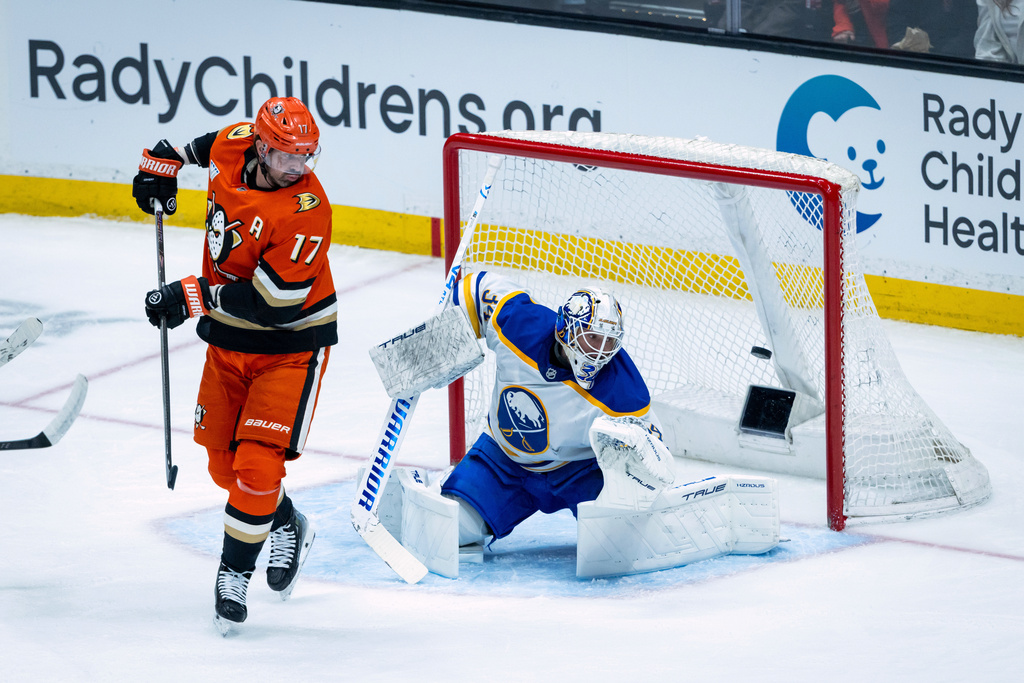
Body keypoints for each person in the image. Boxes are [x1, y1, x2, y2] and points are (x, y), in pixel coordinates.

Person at [133, 97, 337, 633]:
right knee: (225, 468)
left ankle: (233, 575)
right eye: (288, 156)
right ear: (261, 145)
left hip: (290, 345)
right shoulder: (236, 140)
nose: (299, 167)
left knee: (256, 465)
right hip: (227, 344)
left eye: (307, 157)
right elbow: (187, 149)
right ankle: (287, 520)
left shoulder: (308, 211)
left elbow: (272, 304)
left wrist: (190, 295)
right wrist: (159, 166)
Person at [438, 272, 666, 552]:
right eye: (593, 338)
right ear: (566, 329)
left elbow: (652, 457)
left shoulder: (625, 394)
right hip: (502, 459)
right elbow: (477, 288)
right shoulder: (520, 327)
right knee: (448, 529)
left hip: (579, 472)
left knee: (623, 540)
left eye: (610, 342)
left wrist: (635, 481)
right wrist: (441, 338)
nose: (601, 352)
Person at [886, 0, 976, 58]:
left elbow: (971, 33)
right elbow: (897, 28)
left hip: (960, 63)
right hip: (914, 60)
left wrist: (940, 57)